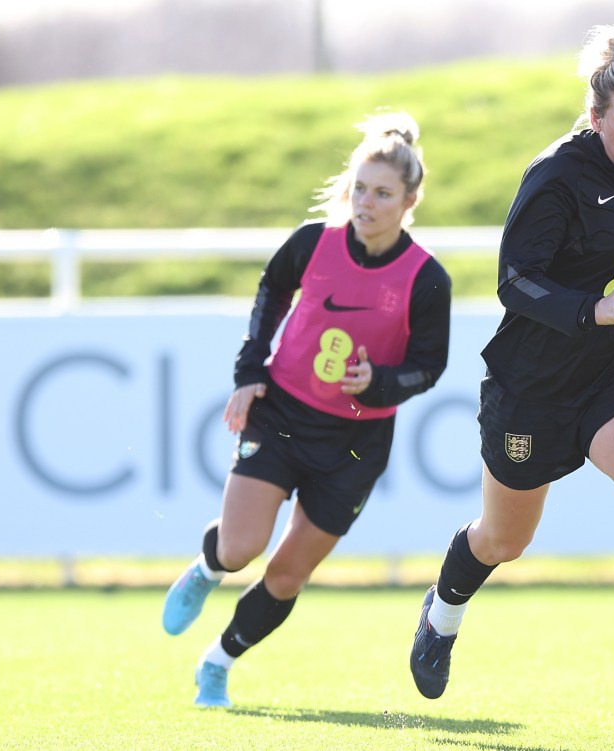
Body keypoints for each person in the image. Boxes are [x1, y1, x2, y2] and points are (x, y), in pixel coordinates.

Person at [408, 25, 614, 723]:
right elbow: (515, 282)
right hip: (534, 382)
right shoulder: (556, 178)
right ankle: (443, 612)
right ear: (594, 118)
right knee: (504, 540)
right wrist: (595, 307)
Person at [162, 112, 451, 708]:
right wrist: (249, 374)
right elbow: (270, 297)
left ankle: (217, 662)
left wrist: (378, 383)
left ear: (410, 200)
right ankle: (208, 568)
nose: (366, 202)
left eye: (383, 193)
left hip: (354, 444)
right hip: (282, 414)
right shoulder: (312, 242)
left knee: (288, 574)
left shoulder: (427, 278)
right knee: (241, 547)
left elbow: (429, 365)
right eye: (360, 188)